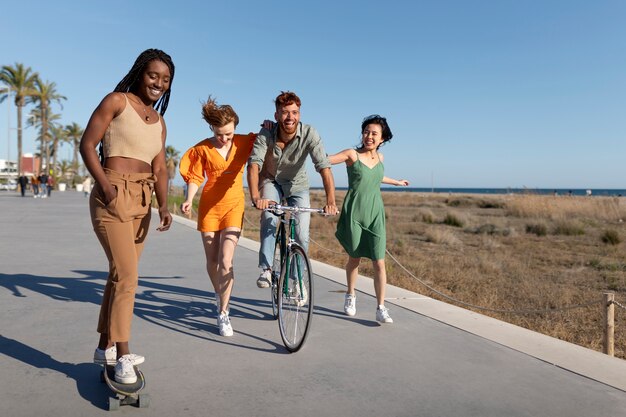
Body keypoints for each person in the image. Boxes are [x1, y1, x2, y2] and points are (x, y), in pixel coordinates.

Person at [79, 48, 174, 384]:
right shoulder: (116, 101)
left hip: (143, 201)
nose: (158, 83)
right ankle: (123, 356)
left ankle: (104, 345)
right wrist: (105, 188)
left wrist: (163, 205)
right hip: (113, 194)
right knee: (129, 277)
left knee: (120, 275)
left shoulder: (159, 122)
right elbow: (88, 144)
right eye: (153, 76)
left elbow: (160, 168)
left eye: (165, 80)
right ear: (139, 73)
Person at [179, 96, 259, 337]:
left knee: (226, 260)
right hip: (209, 208)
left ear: (235, 126)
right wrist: (188, 199)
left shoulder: (246, 142)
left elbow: (267, 142)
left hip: (234, 205)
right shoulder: (202, 148)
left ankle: (223, 312)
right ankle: (219, 292)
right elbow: (195, 177)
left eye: (229, 133)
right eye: (220, 133)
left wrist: (268, 126)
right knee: (212, 262)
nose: (225, 138)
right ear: (212, 128)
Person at [247, 91, 338, 289]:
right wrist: (256, 196)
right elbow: (254, 164)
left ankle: (297, 279)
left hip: (298, 185)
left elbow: (324, 167)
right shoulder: (267, 133)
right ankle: (267, 269)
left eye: (295, 112)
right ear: (276, 115)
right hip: (272, 181)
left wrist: (331, 201)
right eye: (285, 112)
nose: (290, 117)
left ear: (300, 114)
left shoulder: (309, 134)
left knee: (302, 234)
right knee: (270, 217)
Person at [328, 115, 409, 324]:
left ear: (382, 138)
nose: (369, 136)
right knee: (354, 258)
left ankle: (381, 307)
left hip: (375, 215)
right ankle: (350, 295)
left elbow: (377, 176)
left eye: (374, 133)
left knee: (379, 262)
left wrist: (396, 182)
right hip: (355, 213)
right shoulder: (351, 154)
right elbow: (325, 160)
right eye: (366, 132)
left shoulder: (380, 159)